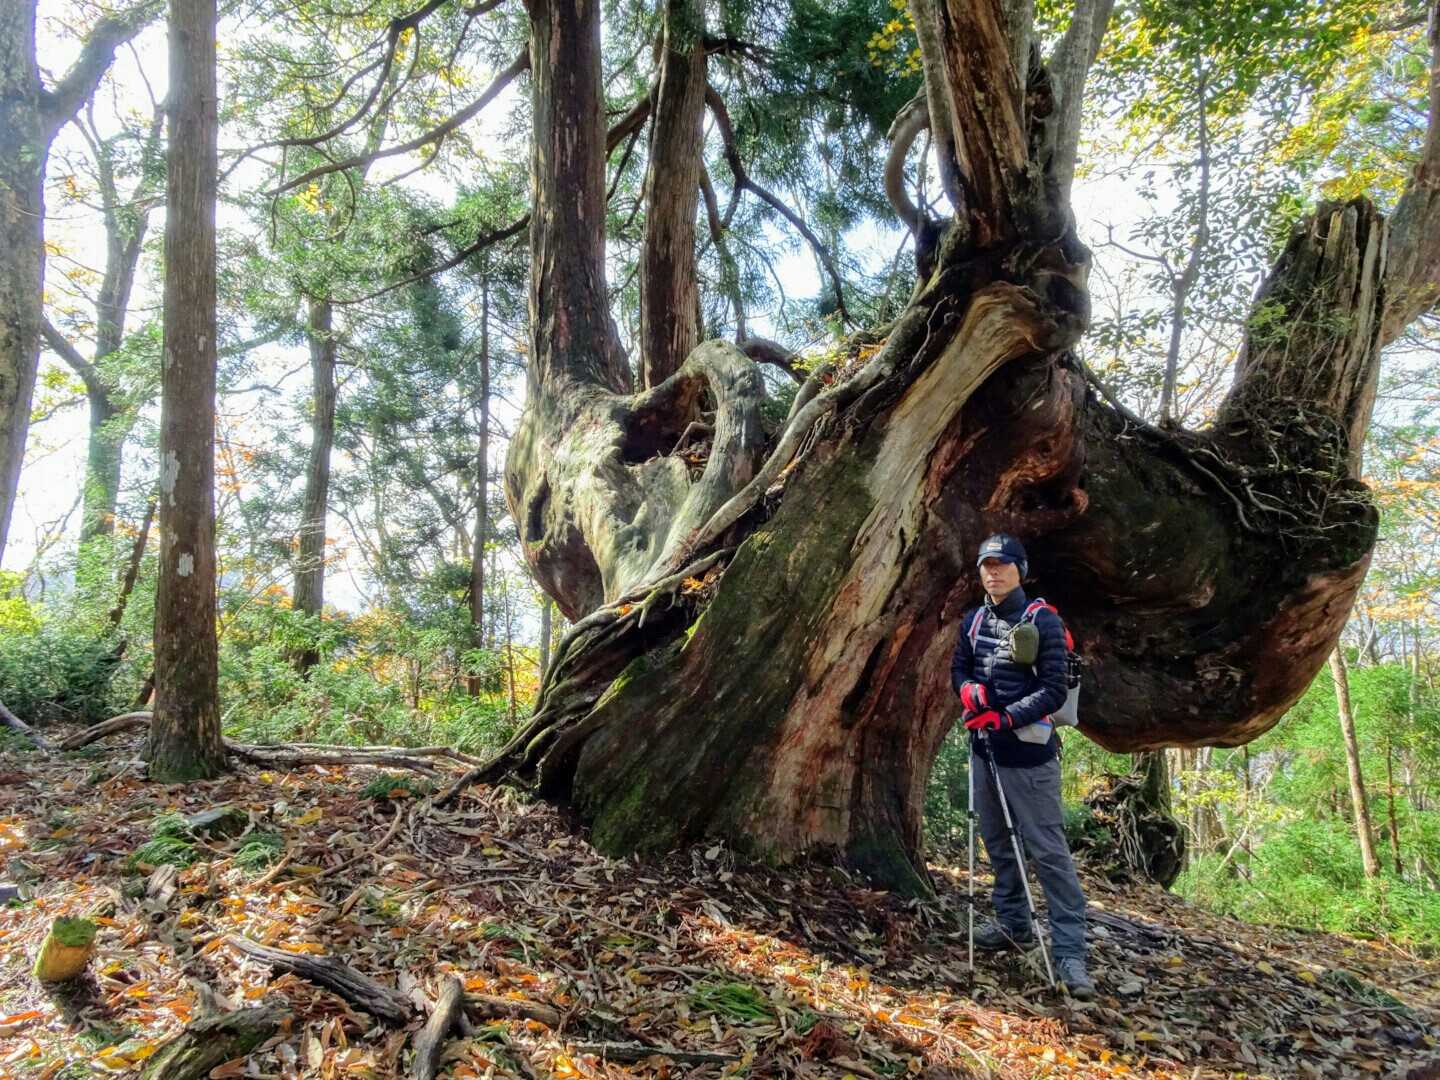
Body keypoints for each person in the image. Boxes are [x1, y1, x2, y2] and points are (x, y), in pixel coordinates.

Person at [951, 533, 1095, 1000]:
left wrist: (1006, 716)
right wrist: (968, 690)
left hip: (1030, 757)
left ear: (1021, 570)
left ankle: (1070, 952)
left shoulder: (1043, 621)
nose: (993, 572)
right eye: (986, 565)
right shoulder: (974, 620)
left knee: (1048, 851)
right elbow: (959, 668)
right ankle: (1013, 923)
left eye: (1002, 564)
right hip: (984, 750)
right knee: (997, 841)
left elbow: (1054, 690)